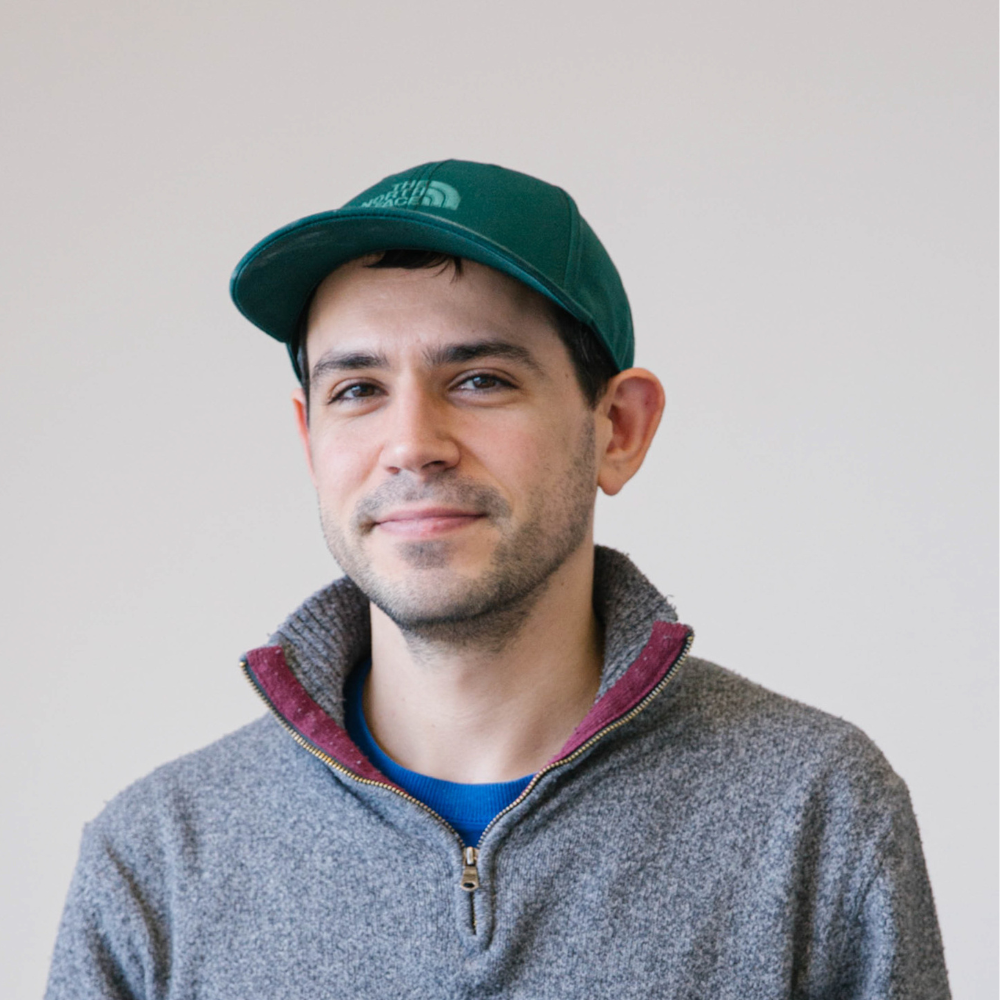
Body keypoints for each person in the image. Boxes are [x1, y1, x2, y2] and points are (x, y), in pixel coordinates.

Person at [46, 160, 950, 998]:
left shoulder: (815, 811)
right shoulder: (157, 861)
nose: (411, 445)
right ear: (310, 440)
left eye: (479, 380)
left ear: (619, 429)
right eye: (357, 390)